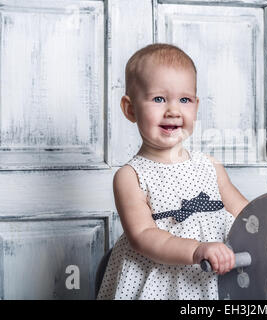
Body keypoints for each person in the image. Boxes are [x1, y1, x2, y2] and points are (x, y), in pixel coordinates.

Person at [97, 43, 249, 299]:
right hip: (160, 284)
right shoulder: (131, 176)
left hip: (212, 281)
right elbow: (143, 235)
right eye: (158, 99)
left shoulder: (210, 167)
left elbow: (247, 215)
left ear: (196, 106)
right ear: (130, 108)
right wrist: (196, 250)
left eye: (184, 100)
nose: (173, 110)